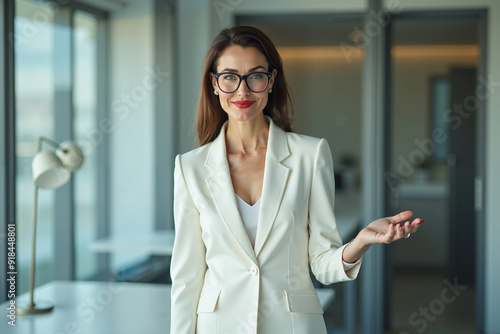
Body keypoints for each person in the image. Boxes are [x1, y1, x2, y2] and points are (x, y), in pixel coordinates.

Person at [170, 25, 424, 334]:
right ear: (214, 83)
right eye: (229, 77)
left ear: (271, 80)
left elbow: (321, 262)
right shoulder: (190, 167)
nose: (242, 90)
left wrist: (360, 241)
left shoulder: (310, 154)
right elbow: (187, 277)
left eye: (256, 76)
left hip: (292, 325)